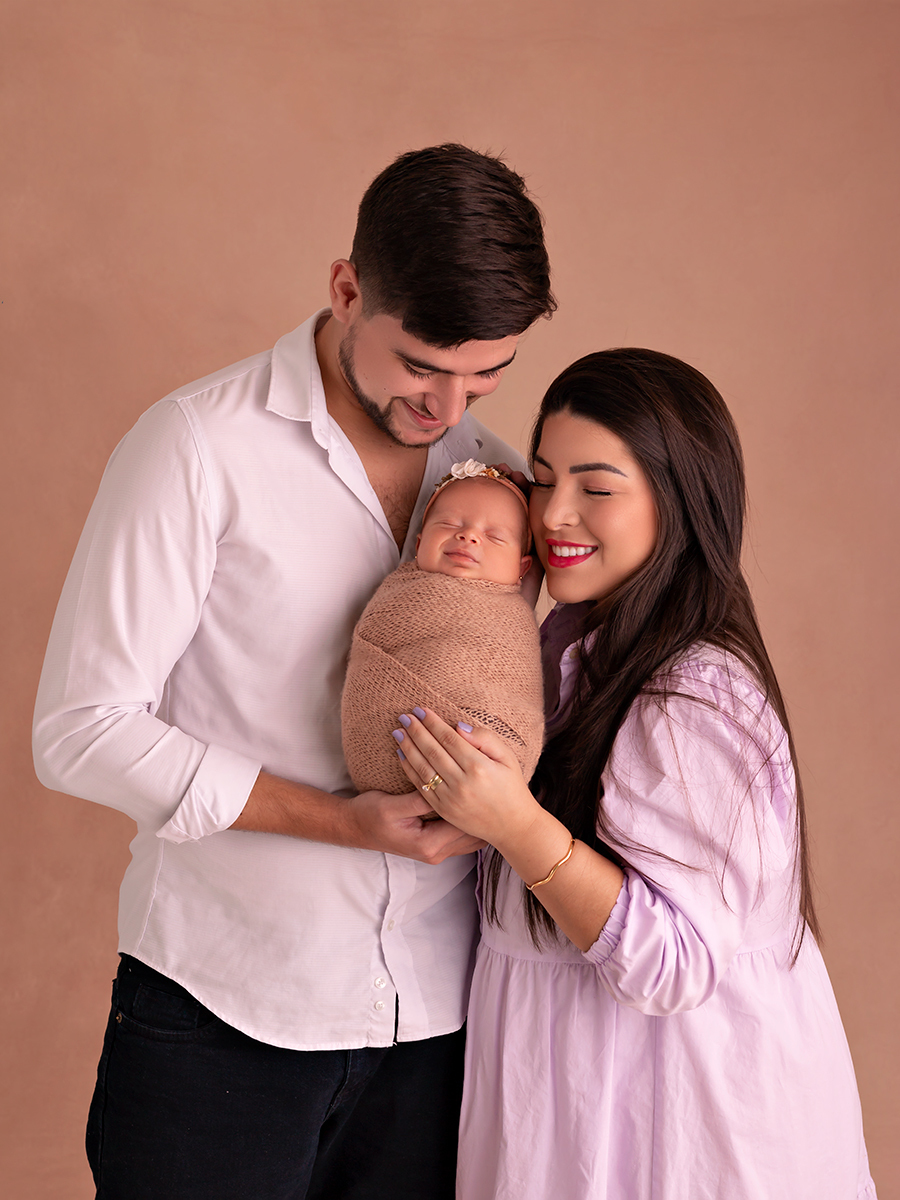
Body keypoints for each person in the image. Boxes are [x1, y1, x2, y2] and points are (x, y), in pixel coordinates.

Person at [32, 144, 555, 1199]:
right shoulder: (195, 447)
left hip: (440, 1020)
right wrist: (342, 821)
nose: (449, 408)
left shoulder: (491, 477)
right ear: (347, 289)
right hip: (221, 1015)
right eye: (420, 365)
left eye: (483, 375)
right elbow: (80, 728)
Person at [393, 349, 877, 1199]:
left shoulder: (692, 694)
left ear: (678, 503)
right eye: (542, 481)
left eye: (598, 488)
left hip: (671, 1129)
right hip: (578, 1106)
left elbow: (676, 961)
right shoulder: (571, 647)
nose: (557, 514)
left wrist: (514, 822)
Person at [341, 461, 544, 798]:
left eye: (494, 536)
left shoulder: (513, 616)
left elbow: (513, 689)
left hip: (485, 770)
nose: (468, 536)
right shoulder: (401, 590)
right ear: (419, 544)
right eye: (449, 524)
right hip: (379, 747)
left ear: (523, 567)